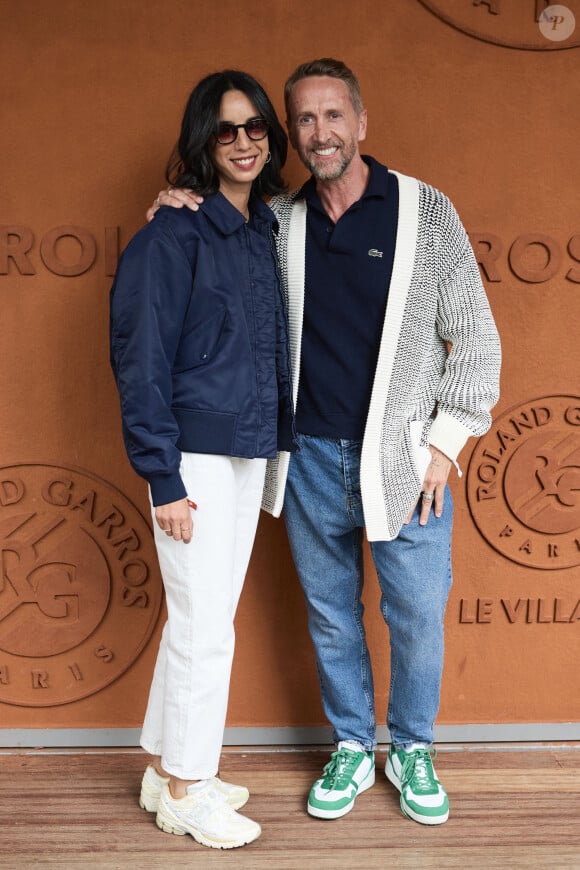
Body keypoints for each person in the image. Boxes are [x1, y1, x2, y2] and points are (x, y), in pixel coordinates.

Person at [148, 58, 501, 828]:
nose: (319, 133)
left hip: (406, 462)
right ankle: (350, 743)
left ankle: (411, 747)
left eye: (332, 116)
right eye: (304, 120)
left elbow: (474, 337)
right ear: (292, 136)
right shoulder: (278, 219)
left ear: (360, 122)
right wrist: (172, 203)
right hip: (306, 457)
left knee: (415, 615)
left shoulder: (424, 212)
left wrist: (446, 444)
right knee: (332, 614)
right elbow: (211, 247)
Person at [110, 69, 294, 849]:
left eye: (256, 128)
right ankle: (187, 788)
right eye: (227, 130)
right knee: (203, 630)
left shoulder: (262, 231)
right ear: (201, 141)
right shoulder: (169, 236)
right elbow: (140, 357)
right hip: (192, 460)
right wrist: (165, 479)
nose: (244, 142)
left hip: (249, 451)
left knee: (205, 621)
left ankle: (166, 766)